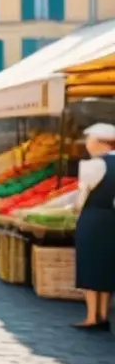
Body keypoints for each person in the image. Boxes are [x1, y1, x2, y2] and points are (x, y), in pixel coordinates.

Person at [73, 122, 115, 330]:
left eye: (89, 141)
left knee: (89, 265)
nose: (87, 145)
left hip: (91, 218)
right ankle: (104, 315)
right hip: (110, 218)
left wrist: (75, 210)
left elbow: (82, 196)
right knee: (106, 266)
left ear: (101, 143)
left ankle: (91, 317)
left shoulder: (92, 165)